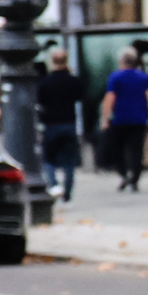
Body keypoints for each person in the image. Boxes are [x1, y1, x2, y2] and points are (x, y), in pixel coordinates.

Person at [99, 44, 148, 192]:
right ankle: (135, 178)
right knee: (137, 150)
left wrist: (105, 118)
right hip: (139, 119)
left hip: (120, 119)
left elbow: (110, 98)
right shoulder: (144, 77)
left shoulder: (115, 77)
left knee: (118, 149)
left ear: (121, 61)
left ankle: (123, 174)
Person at [36, 47, 85, 205]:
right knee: (69, 162)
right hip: (69, 124)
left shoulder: (45, 82)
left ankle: (55, 185)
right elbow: (80, 96)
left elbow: (39, 101)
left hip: (50, 125)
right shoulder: (73, 80)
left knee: (48, 159)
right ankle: (68, 192)